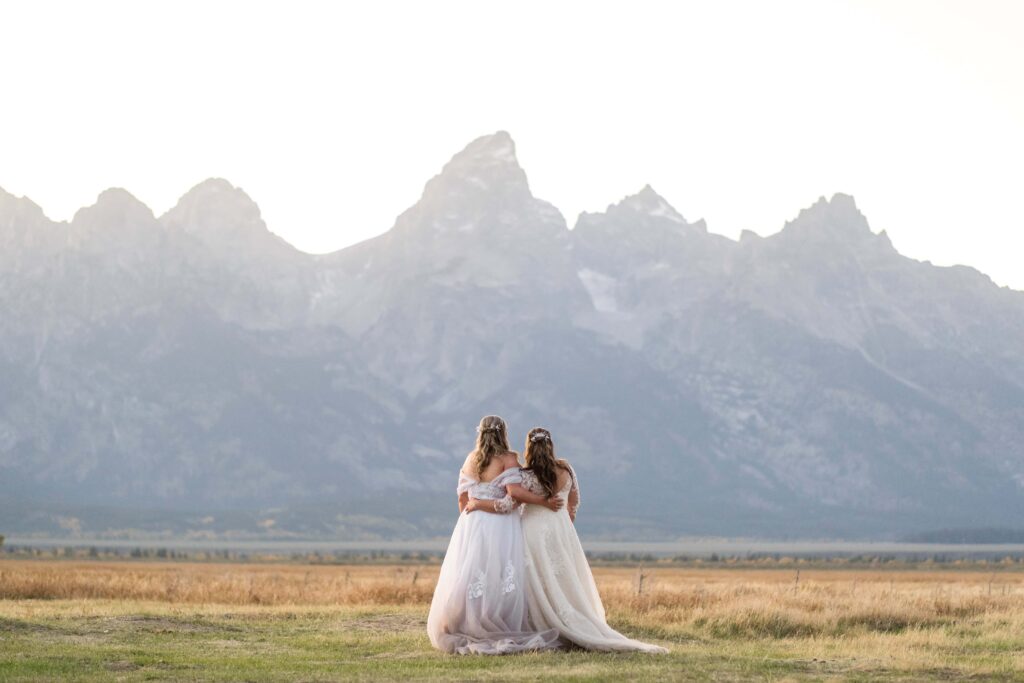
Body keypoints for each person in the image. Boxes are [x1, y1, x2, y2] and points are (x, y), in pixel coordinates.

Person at [469, 427, 667, 653]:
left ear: (529, 448)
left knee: (533, 581)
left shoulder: (524, 475)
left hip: (532, 530)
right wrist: (565, 523)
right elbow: (574, 502)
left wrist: (478, 503)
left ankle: (537, 623)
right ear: (551, 445)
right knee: (564, 579)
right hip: (560, 530)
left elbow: (511, 501)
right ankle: (571, 618)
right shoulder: (566, 469)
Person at [426, 415, 563, 654]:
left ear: (480, 433)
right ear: (503, 433)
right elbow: (512, 497)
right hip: (499, 525)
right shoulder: (508, 459)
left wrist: (473, 514)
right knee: (499, 573)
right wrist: (543, 501)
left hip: (471, 524)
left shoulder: (471, 459)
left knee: (471, 572)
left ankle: (461, 621)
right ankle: (497, 619)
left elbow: (462, 497)